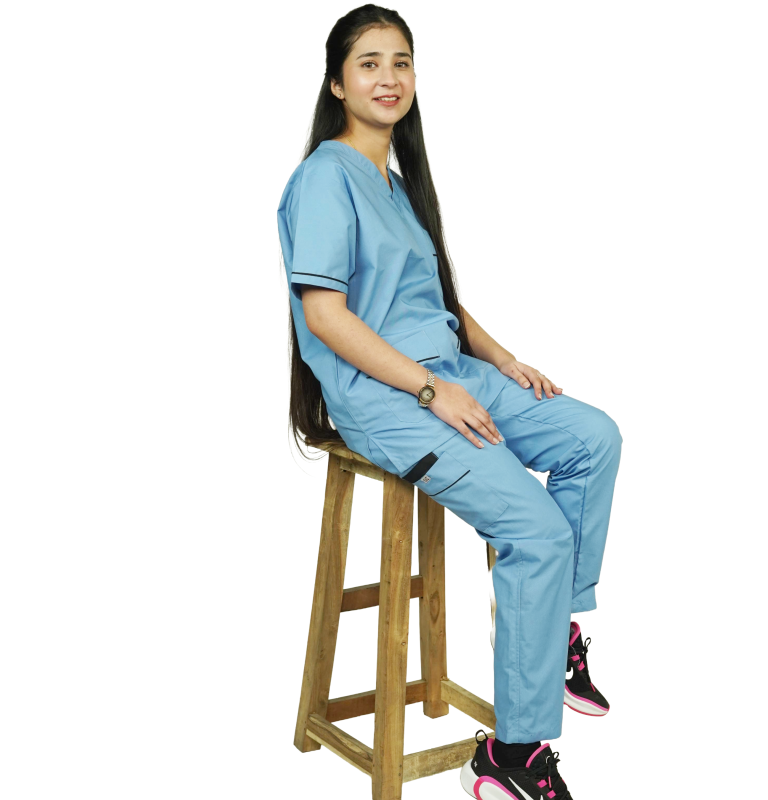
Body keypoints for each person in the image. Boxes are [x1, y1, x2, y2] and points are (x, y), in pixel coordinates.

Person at [277, 6, 622, 798]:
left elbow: (435, 300)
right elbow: (326, 316)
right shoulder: (325, 178)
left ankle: (554, 629)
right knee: (536, 532)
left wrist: (502, 359)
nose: (388, 77)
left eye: (401, 61)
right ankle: (511, 757)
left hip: (452, 372)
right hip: (387, 395)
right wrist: (431, 390)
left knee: (593, 437)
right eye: (369, 63)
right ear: (337, 83)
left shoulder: (395, 185)